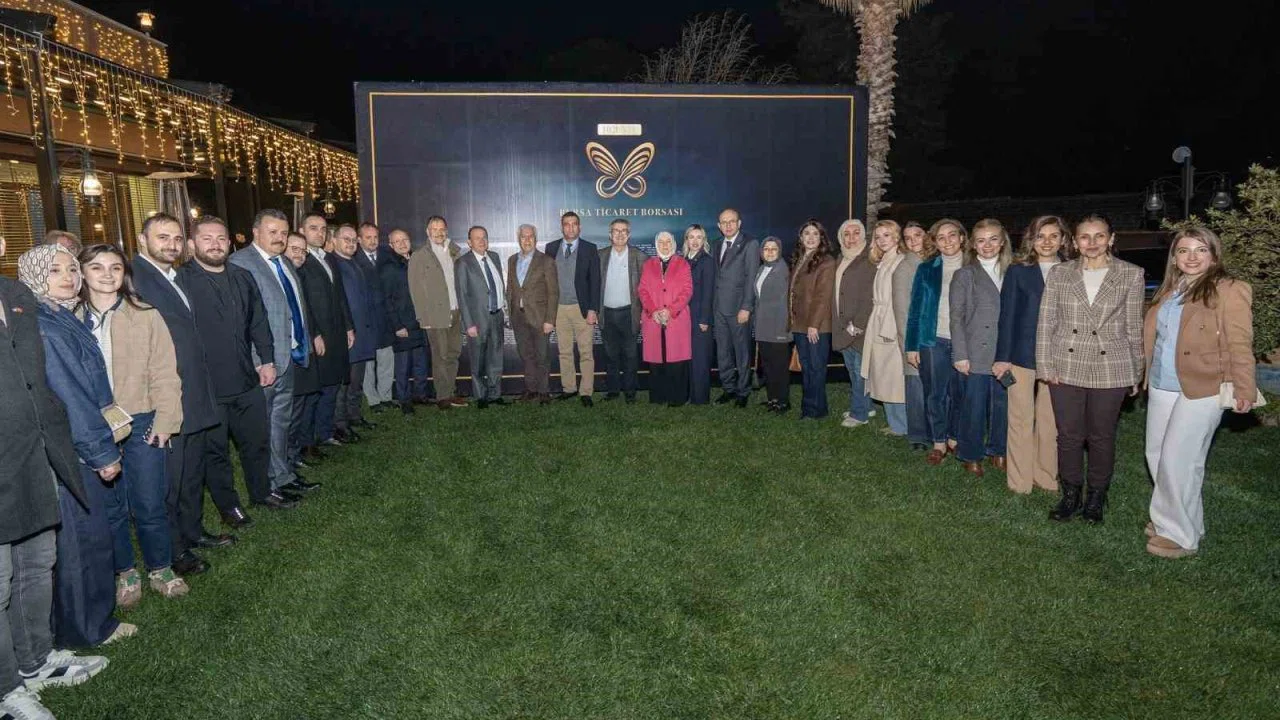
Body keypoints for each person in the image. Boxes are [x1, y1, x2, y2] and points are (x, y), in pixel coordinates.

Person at [1, 238, 108, 720]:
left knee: (36, 564)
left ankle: (36, 661)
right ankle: (7, 690)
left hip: (35, 457)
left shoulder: (17, 297)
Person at [16, 245, 134, 647]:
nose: (67, 277)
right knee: (85, 543)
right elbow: (72, 398)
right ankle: (88, 629)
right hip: (73, 453)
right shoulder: (45, 325)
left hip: (74, 447)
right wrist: (102, 453)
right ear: (34, 277)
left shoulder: (59, 315)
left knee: (81, 540)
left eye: (71, 269)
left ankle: (79, 623)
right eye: (54, 270)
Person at [77, 244, 189, 607]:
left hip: (142, 420)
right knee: (110, 507)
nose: (107, 274)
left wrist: (166, 419)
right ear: (82, 273)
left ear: (125, 274)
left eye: (115, 267)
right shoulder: (69, 319)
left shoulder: (145, 314)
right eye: (97, 267)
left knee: (150, 500)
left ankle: (160, 567)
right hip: (94, 427)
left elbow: (165, 371)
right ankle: (125, 572)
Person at [1143, 227, 1256, 558]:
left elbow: (1240, 342)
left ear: (1214, 256)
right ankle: (1174, 519)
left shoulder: (1231, 289)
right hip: (1163, 382)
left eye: (1200, 250)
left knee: (1180, 459)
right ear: (1174, 258)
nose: (1191, 257)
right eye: (1184, 250)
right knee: (1157, 455)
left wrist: (1244, 386)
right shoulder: (1170, 289)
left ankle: (1181, 536)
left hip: (1204, 386)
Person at [131, 212, 231, 575]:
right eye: (162, 237)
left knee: (192, 473)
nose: (171, 245)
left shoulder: (174, 276)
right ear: (142, 240)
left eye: (176, 238)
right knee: (169, 481)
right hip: (166, 396)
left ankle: (192, 532)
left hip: (194, 391)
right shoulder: (134, 279)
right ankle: (173, 551)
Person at [181, 216, 298, 515]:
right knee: (216, 451)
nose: (215, 244)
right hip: (208, 384)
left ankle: (262, 492)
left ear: (230, 242)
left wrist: (267, 360)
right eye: (207, 238)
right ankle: (229, 506)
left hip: (246, 378)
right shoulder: (181, 281)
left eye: (221, 238)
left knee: (256, 442)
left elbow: (259, 321)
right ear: (192, 244)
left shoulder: (242, 276)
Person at [1037, 214, 1144, 524]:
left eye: (1100, 236)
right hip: (1065, 363)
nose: (1092, 243)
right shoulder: (1060, 273)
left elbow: (1133, 326)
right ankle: (1070, 495)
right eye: (1085, 237)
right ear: (1075, 241)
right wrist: (1045, 365)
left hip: (1111, 365)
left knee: (1101, 436)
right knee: (1069, 435)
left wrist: (1136, 372)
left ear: (1111, 239)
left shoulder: (1131, 274)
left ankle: (1096, 497)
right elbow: (1046, 322)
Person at [227, 209, 317, 499]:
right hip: (261, 364)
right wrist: (257, 362)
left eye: (283, 233)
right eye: (272, 232)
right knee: (261, 426)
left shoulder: (284, 263)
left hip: (287, 358)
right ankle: (264, 484)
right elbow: (239, 321)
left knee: (280, 422)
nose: (279, 238)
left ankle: (282, 475)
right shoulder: (240, 263)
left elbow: (294, 308)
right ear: (256, 232)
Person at [994, 215, 1067, 493]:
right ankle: (1019, 480)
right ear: (1031, 240)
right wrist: (1002, 357)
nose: (1046, 242)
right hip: (1021, 355)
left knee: (1050, 421)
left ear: (1063, 239)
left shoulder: (1073, 271)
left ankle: (1045, 475)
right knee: (1020, 418)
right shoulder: (1018, 272)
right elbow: (1007, 317)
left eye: (1053, 236)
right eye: (1040, 236)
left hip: (1059, 357)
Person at [949, 219, 1012, 477]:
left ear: (1002, 241)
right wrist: (960, 354)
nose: (988, 245)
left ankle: (999, 450)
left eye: (993, 239)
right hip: (976, 351)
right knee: (973, 407)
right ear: (973, 245)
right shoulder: (965, 275)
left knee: (1003, 405)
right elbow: (956, 317)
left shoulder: (1015, 271)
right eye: (981, 240)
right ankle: (971, 453)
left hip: (1006, 351)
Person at [906, 218, 968, 465]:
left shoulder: (975, 266)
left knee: (961, 392)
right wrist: (912, 345)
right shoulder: (926, 269)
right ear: (935, 242)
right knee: (935, 393)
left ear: (962, 237)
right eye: (941, 237)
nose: (947, 241)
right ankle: (939, 441)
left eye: (952, 235)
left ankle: (955, 437)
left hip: (965, 342)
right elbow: (915, 310)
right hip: (932, 340)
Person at [296, 213, 354, 454]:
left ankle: (325, 433)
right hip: (318, 335)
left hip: (337, 332)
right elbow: (303, 304)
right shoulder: (299, 260)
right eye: (313, 228)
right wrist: (314, 334)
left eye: (323, 229)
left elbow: (340, 296)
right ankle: (307, 442)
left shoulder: (328, 258)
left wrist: (349, 326)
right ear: (302, 231)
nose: (319, 233)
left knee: (332, 385)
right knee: (316, 390)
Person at [408, 216, 465, 410]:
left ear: (446, 231)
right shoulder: (419, 256)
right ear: (427, 232)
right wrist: (422, 317)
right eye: (434, 229)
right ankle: (442, 396)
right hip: (435, 315)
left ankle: (451, 391)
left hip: (456, 311)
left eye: (442, 229)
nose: (439, 233)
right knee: (440, 356)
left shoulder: (455, 251)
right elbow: (415, 289)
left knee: (453, 353)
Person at [544, 212, 601, 406]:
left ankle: (586, 392)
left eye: (574, 224)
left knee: (586, 352)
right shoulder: (551, 248)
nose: (570, 228)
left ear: (580, 227)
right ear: (562, 227)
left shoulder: (589, 248)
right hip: (559, 309)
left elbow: (595, 281)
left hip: (581, 309)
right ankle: (569, 388)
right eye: (566, 224)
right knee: (564, 352)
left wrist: (593, 309)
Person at [330, 224, 377, 440]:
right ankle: (340, 425)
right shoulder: (333, 264)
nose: (350, 243)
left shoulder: (355, 263)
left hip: (362, 333)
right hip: (346, 334)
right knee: (344, 382)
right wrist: (347, 327)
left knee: (357, 379)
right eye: (345, 239)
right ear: (334, 240)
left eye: (353, 240)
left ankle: (354, 416)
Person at [863, 220, 909, 436]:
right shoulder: (884, 261)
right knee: (883, 376)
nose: (882, 240)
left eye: (887, 235)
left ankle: (902, 425)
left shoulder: (899, 261)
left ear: (897, 236)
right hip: (879, 321)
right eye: (878, 236)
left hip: (889, 325)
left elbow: (898, 299)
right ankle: (896, 422)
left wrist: (889, 330)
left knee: (893, 378)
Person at [712, 208, 761, 407]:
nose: (728, 225)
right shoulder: (716, 245)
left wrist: (746, 307)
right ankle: (728, 388)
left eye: (732, 221)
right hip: (719, 309)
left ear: (739, 223)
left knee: (742, 354)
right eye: (724, 222)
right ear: (719, 226)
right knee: (723, 352)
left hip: (739, 310)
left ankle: (743, 391)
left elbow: (752, 278)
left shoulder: (750, 244)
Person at [639, 231, 693, 405]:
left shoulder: (683, 264)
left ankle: (677, 398)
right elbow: (643, 291)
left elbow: (687, 291)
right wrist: (653, 311)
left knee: (677, 360)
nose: (664, 245)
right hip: (653, 319)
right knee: (656, 360)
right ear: (656, 244)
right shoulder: (648, 264)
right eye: (661, 242)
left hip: (676, 319)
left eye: (668, 241)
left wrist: (670, 311)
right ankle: (658, 397)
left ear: (674, 244)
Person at [789, 220, 836, 420]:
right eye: (806, 233)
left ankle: (813, 411)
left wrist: (813, 325)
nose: (810, 237)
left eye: (815, 233)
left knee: (816, 369)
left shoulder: (826, 262)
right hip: (800, 325)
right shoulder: (800, 259)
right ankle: (815, 408)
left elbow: (822, 296)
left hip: (816, 327)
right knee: (807, 368)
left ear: (821, 237)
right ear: (801, 237)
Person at [456, 225, 507, 408]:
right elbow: (462, 295)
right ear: (469, 242)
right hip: (477, 320)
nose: (481, 241)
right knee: (478, 361)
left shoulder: (494, 257)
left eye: (484, 237)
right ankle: (480, 397)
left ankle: (495, 394)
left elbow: (498, 285)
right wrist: (468, 324)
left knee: (496, 358)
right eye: (477, 238)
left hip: (496, 316)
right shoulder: (463, 263)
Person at [506, 223, 558, 402]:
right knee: (526, 355)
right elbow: (510, 289)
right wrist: (510, 313)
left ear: (536, 239)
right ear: (518, 239)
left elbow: (553, 292)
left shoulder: (546, 261)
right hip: (518, 316)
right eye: (523, 236)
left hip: (540, 317)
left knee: (542, 355)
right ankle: (531, 389)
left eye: (530, 236)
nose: (527, 240)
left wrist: (550, 319)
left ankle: (543, 391)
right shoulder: (512, 260)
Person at [831, 219, 875, 428]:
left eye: (856, 233)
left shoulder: (870, 259)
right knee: (852, 370)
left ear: (863, 235)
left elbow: (870, 296)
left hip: (859, 328)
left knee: (860, 372)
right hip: (843, 326)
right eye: (846, 234)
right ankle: (866, 406)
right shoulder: (842, 257)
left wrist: (857, 325)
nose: (851, 238)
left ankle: (859, 414)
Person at [382, 229, 431, 414]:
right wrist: (398, 325)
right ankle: (404, 400)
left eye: (405, 239)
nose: (402, 244)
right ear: (391, 245)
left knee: (420, 363)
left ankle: (421, 395)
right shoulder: (389, 268)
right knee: (403, 366)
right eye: (397, 241)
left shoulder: (417, 261)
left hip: (420, 322)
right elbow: (387, 299)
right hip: (403, 325)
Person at [597, 218, 645, 402]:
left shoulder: (639, 256)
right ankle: (613, 390)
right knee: (610, 355)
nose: (619, 234)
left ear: (629, 234)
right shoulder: (600, 256)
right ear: (610, 235)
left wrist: (644, 313)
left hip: (629, 313)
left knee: (630, 355)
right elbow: (593, 285)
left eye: (623, 230)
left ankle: (630, 392)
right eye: (616, 231)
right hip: (607, 313)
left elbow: (646, 288)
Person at [894, 222, 928, 450]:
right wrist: (910, 345)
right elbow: (902, 312)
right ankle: (918, 436)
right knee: (916, 388)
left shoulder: (935, 262)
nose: (914, 240)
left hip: (937, 338)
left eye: (918, 235)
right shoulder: (905, 268)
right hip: (914, 339)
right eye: (908, 238)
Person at [753, 237, 792, 412]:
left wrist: (783, 329)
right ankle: (772, 398)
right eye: (766, 249)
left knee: (779, 367)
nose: (769, 252)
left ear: (779, 251)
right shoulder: (762, 269)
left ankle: (783, 401)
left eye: (773, 249)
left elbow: (783, 303)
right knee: (768, 365)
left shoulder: (783, 270)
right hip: (763, 327)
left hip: (778, 327)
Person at [683, 224, 717, 404]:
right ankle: (689, 393)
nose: (695, 241)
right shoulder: (682, 260)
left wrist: (705, 319)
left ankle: (700, 398)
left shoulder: (707, 261)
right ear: (686, 240)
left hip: (699, 317)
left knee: (700, 358)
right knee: (688, 356)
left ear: (704, 240)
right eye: (691, 237)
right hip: (684, 317)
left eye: (699, 237)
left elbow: (708, 292)